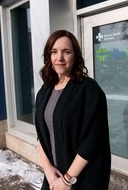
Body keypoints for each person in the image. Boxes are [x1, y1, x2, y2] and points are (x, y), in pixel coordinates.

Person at [35, 30, 111, 190]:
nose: (59, 58)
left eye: (66, 52)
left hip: (82, 179)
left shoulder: (89, 89)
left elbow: (94, 138)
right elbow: (41, 134)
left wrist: (67, 180)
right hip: (54, 176)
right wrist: (48, 170)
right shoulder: (45, 89)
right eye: (54, 52)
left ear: (75, 56)